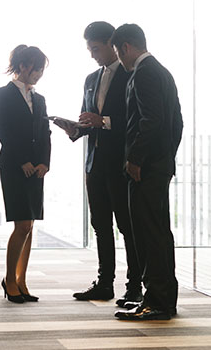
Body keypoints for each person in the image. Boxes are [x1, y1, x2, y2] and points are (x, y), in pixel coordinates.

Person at [59, 22, 140, 306]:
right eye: (89, 49)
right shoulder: (91, 79)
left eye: (96, 48)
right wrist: (75, 129)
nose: (93, 54)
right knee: (100, 225)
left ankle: (134, 287)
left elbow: (134, 120)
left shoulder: (132, 75)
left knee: (126, 227)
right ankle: (105, 283)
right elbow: (89, 120)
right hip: (95, 164)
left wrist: (103, 122)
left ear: (112, 44)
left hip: (121, 163)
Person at [111, 24, 183, 321]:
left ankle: (156, 302)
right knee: (157, 233)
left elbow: (150, 121)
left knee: (149, 234)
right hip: (158, 165)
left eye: (118, 52)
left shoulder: (144, 73)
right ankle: (161, 298)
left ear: (125, 47)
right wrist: (166, 158)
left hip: (146, 169)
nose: (120, 59)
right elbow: (175, 123)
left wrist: (137, 160)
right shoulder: (161, 71)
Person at [0, 45, 51, 304]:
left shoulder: (39, 99)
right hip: (14, 167)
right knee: (22, 224)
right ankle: (9, 278)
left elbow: (44, 134)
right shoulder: (3, 94)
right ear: (24, 66)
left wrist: (44, 163)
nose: (39, 74)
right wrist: (23, 161)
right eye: (37, 69)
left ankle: (21, 280)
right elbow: (3, 131)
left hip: (35, 170)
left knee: (30, 227)